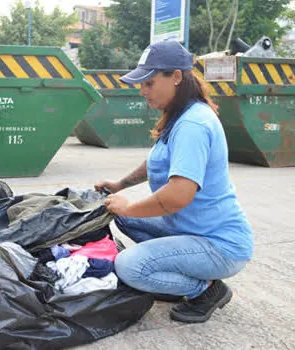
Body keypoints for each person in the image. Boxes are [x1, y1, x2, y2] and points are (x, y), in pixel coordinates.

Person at [95, 41, 253, 324]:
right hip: (190, 229)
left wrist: (129, 207)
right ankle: (179, 275)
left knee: (129, 267)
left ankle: (206, 289)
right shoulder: (180, 116)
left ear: (177, 77)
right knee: (121, 217)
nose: (142, 91)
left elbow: (178, 196)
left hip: (219, 244)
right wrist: (120, 187)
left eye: (150, 83)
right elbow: (157, 162)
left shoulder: (193, 124)